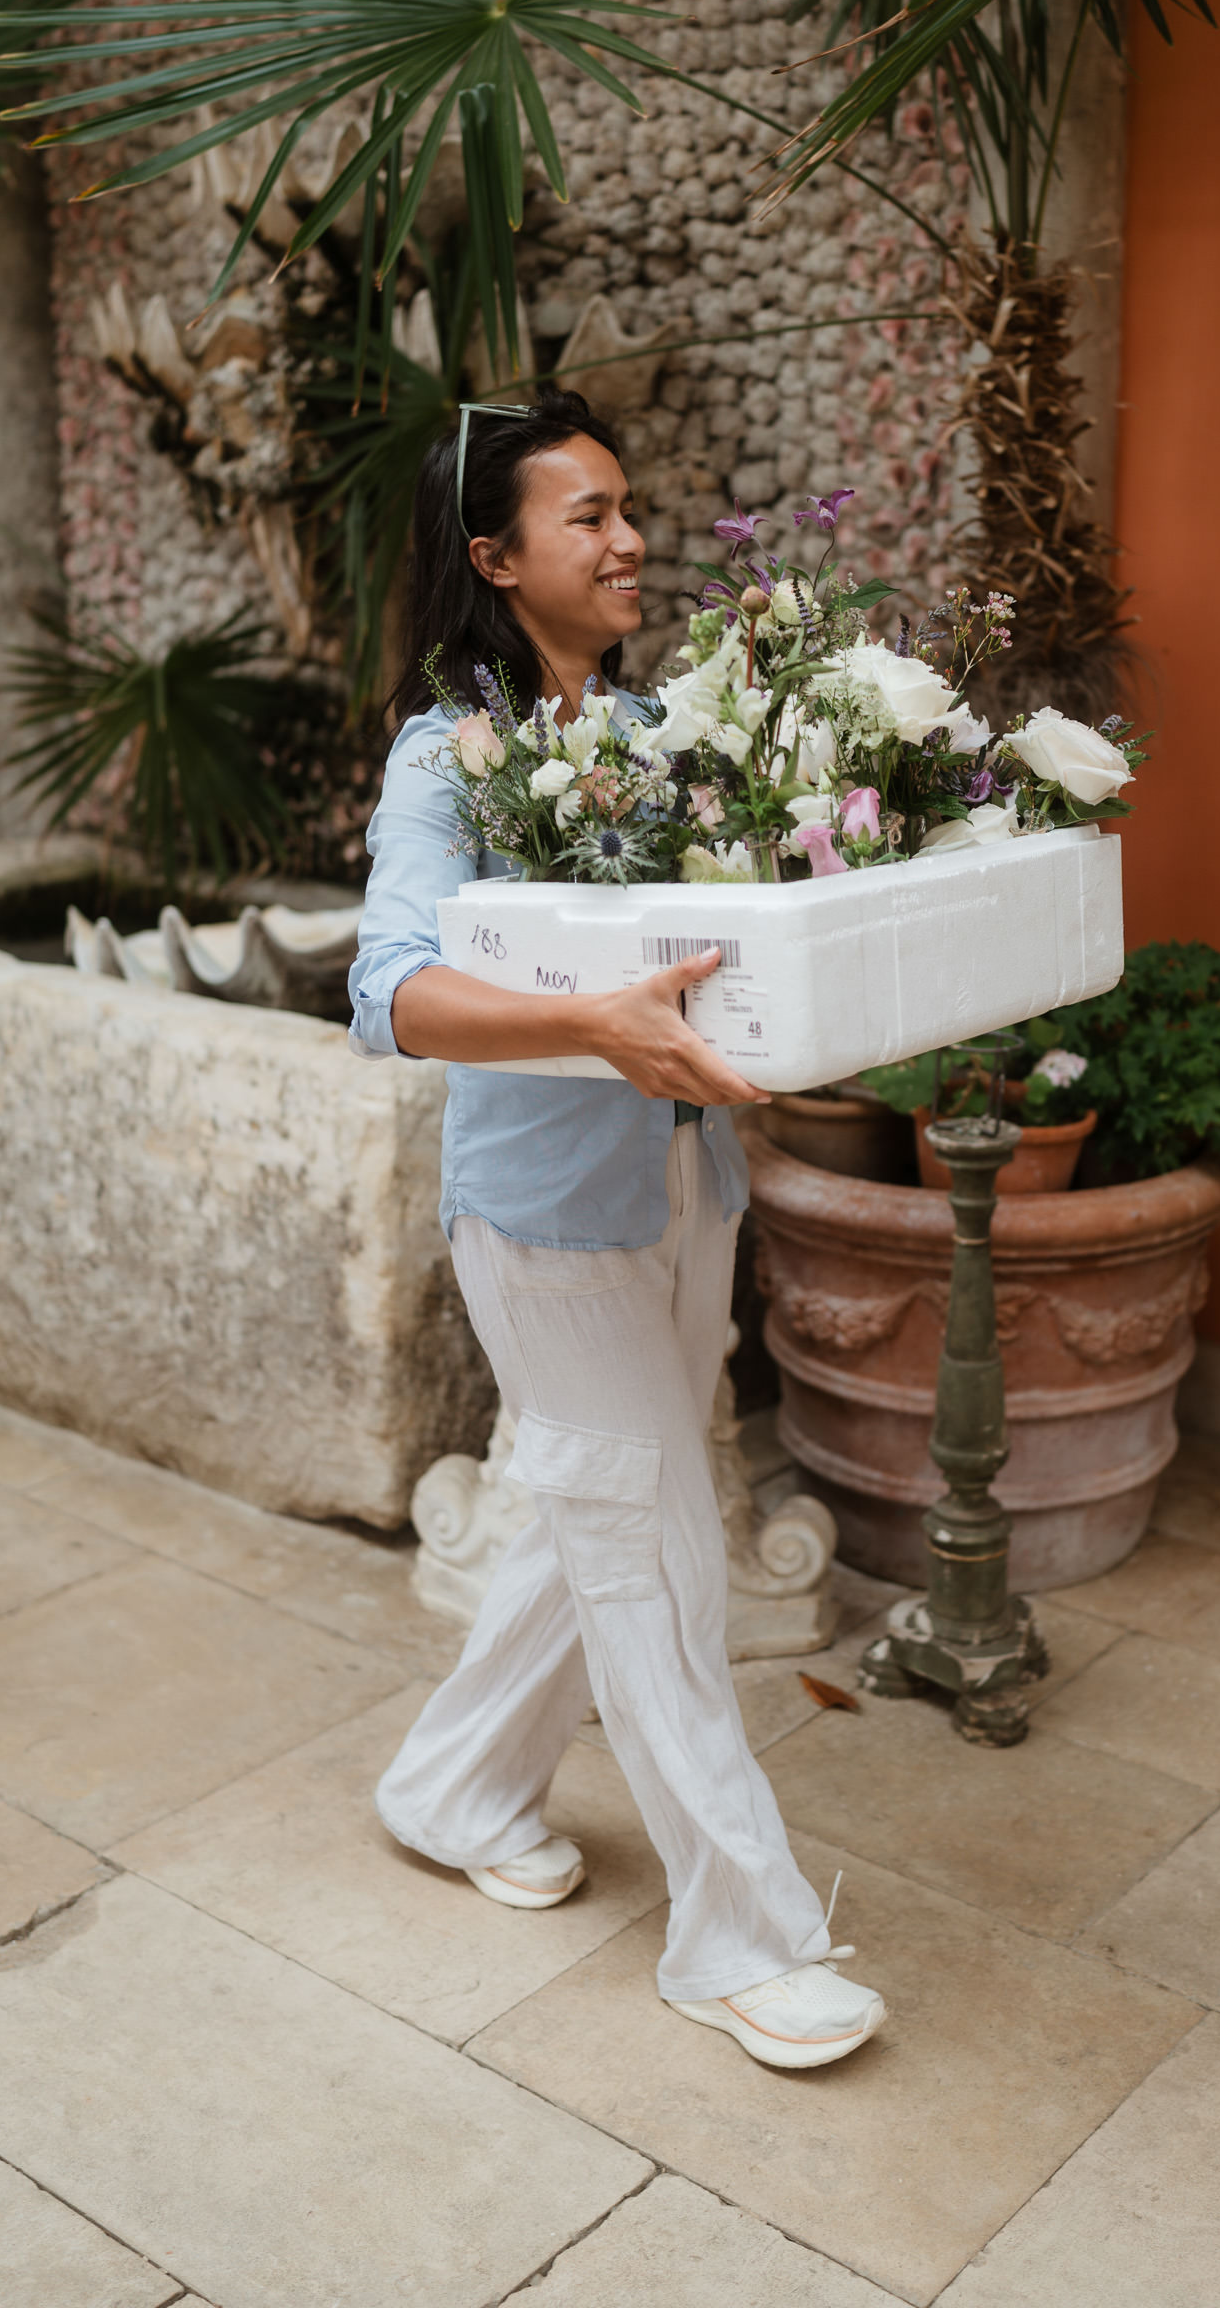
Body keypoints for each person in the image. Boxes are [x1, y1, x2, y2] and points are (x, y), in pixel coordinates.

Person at [348, 390, 885, 2071]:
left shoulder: (656, 732)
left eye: (627, 506)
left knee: (595, 1513)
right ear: (498, 558)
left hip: (686, 1186)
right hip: (547, 1223)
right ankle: (745, 1938)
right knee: (654, 1546)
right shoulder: (446, 754)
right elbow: (391, 993)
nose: (630, 536)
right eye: (587, 516)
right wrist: (595, 1029)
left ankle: (450, 1788)